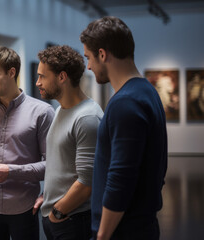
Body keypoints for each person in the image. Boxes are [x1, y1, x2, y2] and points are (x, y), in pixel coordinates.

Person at [80, 16, 168, 240]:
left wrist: (102, 235)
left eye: (88, 58)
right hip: (140, 225)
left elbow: (121, 177)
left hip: (123, 230)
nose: (88, 66)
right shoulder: (146, 91)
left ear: (102, 54)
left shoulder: (125, 103)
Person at [0, 46, 55, 240]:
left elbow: (52, 165)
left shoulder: (42, 112)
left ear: (11, 72)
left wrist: (11, 171)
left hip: (24, 208)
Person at [36, 45, 103, 240]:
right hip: (59, 216)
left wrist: (57, 212)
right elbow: (61, 164)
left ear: (62, 77)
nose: (37, 82)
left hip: (71, 218)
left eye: (42, 76)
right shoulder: (60, 110)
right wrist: (46, 197)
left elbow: (87, 181)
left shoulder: (87, 117)